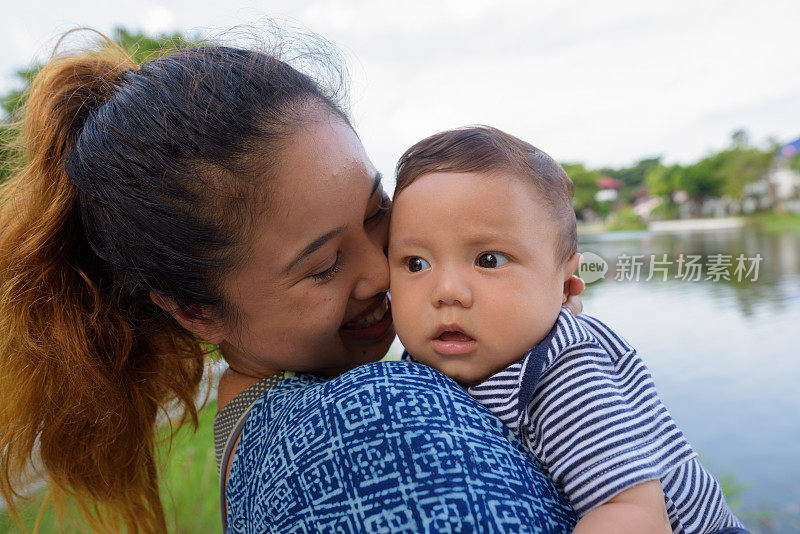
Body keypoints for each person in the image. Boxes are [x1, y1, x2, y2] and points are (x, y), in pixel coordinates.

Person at [0, 33, 587, 533]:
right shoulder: (375, 424)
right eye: (325, 265)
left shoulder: (251, 428)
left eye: (377, 211)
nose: (384, 272)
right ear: (197, 311)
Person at [388, 126, 749, 534]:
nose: (446, 291)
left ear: (564, 284)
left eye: (489, 260)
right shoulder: (424, 360)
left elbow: (634, 515)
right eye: (416, 263)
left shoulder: (563, 372)